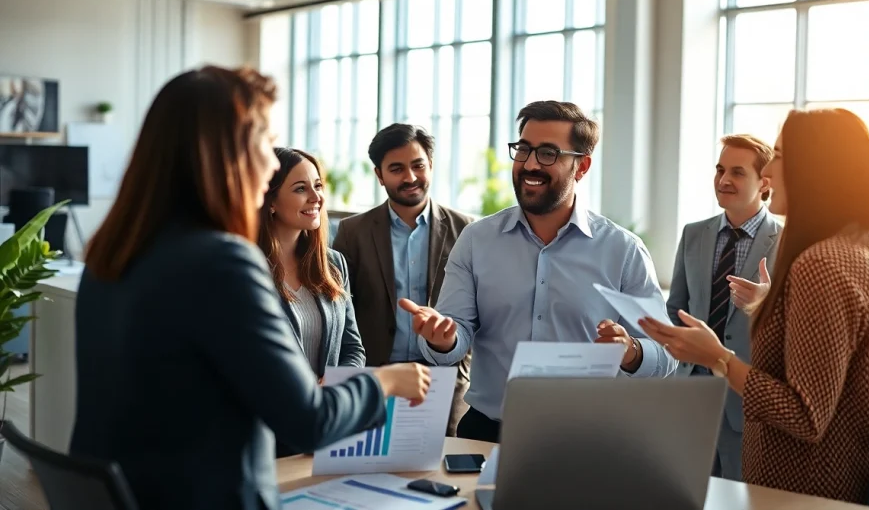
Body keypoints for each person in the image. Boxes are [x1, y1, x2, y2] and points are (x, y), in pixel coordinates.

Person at [70, 66, 430, 510]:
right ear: (228, 153)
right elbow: (308, 420)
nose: (267, 162)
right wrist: (387, 381)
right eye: (263, 141)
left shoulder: (111, 254)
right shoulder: (222, 262)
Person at [640, 108, 869, 504]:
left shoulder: (821, 264)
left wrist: (717, 357)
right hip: (832, 478)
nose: (771, 171)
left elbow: (803, 415)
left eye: (780, 155)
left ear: (815, 168)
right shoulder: (859, 251)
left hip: (801, 487)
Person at [400, 101, 677, 444]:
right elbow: (454, 339)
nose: (530, 164)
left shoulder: (623, 251)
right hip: (488, 433)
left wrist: (632, 350)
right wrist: (443, 339)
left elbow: (666, 355)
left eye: (548, 153)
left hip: (588, 439)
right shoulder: (476, 240)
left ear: (582, 165)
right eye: (524, 150)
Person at [333, 124, 473, 436]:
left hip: (444, 380)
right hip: (377, 378)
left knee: (440, 474)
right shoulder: (352, 232)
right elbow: (340, 313)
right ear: (379, 175)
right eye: (396, 169)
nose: (409, 177)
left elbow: (479, 309)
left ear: (431, 166)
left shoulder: (468, 230)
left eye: (418, 165)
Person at [665, 133, 781, 481]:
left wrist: (765, 303)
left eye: (738, 172)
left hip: (745, 400)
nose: (724, 180)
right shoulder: (693, 234)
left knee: (737, 494)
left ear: (764, 183)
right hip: (690, 392)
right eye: (720, 170)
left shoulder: (787, 243)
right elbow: (676, 308)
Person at [259, 147, 366, 377]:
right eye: (301, 189)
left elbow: (353, 349)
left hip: (327, 407)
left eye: (318, 186)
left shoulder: (333, 264)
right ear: (271, 201)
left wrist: (330, 386)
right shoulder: (249, 268)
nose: (317, 197)